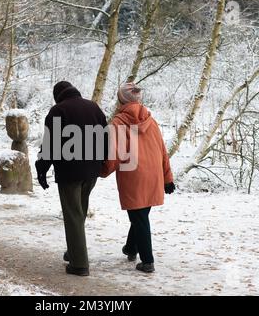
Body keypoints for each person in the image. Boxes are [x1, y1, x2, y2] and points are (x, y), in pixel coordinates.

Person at [100, 82, 175, 273]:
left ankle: (147, 261)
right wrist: (167, 177)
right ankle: (131, 248)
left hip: (133, 175)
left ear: (121, 100)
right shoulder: (151, 120)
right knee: (141, 214)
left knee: (139, 217)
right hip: (154, 173)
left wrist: (101, 171)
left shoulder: (118, 122)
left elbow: (113, 155)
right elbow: (162, 151)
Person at [35, 81, 108, 276]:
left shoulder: (58, 111)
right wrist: (101, 163)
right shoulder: (93, 107)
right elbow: (105, 138)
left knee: (73, 215)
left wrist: (41, 169)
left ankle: (80, 265)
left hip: (70, 172)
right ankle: (74, 250)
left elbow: (50, 145)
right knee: (80, 212)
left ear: (58, 95)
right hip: (91, 171)